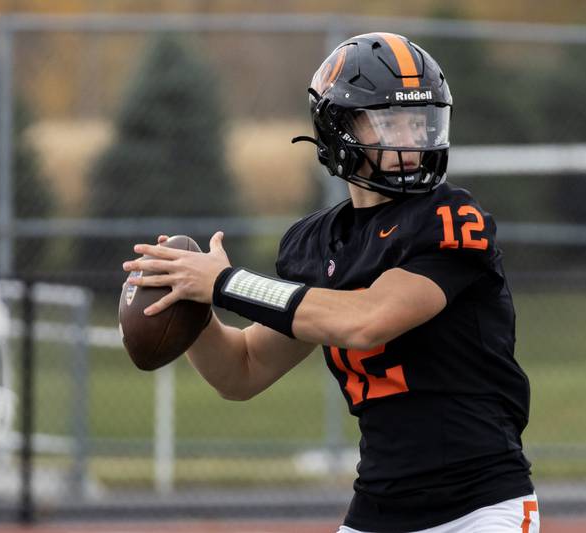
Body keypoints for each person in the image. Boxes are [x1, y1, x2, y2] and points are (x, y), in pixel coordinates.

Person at [123, 32, 538, 533]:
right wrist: (190, 301)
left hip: (477, 507)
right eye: (389, 121)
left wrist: (225, 283)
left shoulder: (449, 217)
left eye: (419, 121)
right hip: (378, 510)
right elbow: (242, 370)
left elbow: (368, 321)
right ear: (338, 129)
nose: (409, 139)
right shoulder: (320, 243)